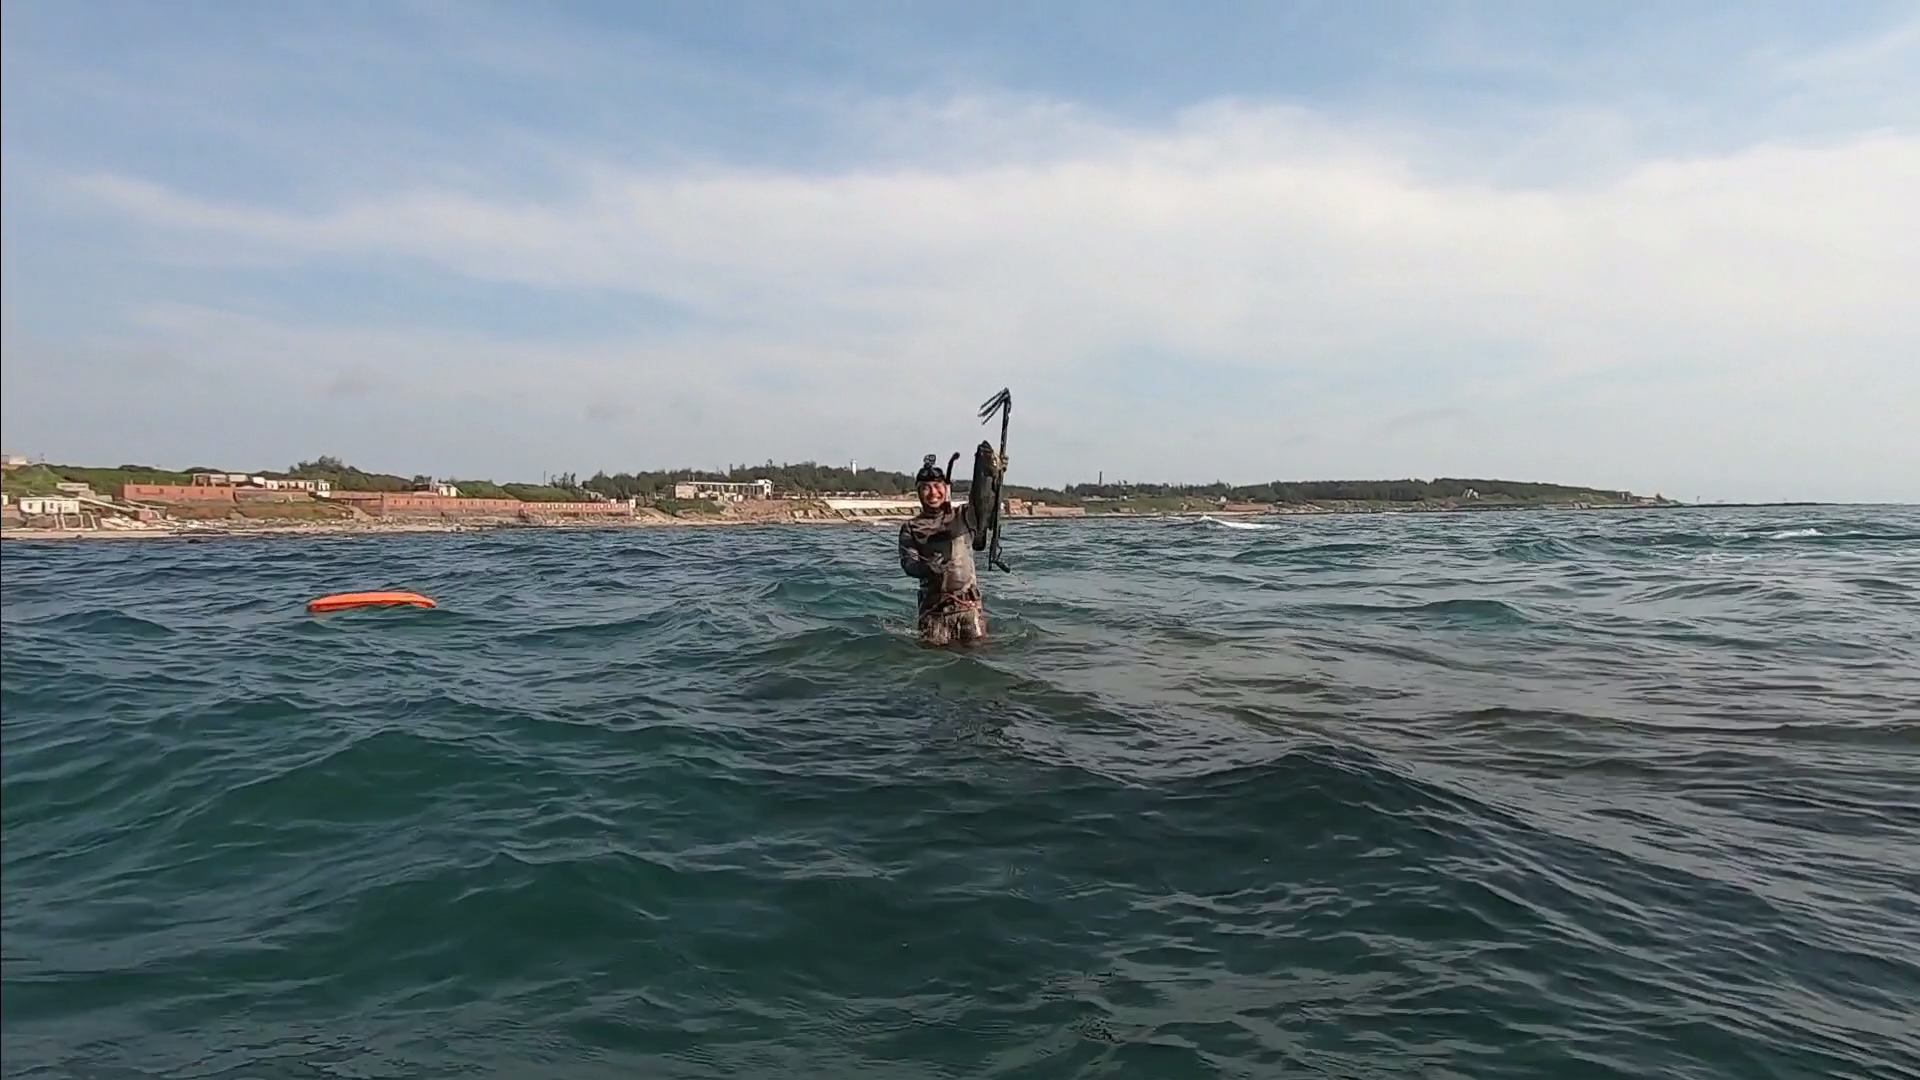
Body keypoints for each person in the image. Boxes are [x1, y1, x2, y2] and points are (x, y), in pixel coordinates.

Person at [899, 442, 1005, 646]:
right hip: (933, 612)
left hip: (968, 606)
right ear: (918, 492)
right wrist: (926, 568)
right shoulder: (911, 528)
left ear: (946, 488)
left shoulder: (963, 515)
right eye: (925, 488)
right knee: (933, 659)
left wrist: (991, 474)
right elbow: (908, 564)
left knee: (978, 653)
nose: (932, 493)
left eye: (937, 486)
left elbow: (985, 505)